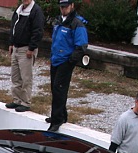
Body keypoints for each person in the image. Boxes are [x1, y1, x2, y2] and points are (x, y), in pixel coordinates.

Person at [47, 0, 88, 132]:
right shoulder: (59, 20)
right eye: (61, 7)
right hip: (56, 59)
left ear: (72, 6)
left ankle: (57, 120)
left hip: (65, 61)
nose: (63, 9)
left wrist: (70, 61)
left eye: (65, 7)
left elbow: (81, 46)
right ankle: (60, 114)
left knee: (59, 88)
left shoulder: (76, 23)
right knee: (55, 87)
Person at [6, 0, 43, 113]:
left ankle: (25, 102)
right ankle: (17, 100)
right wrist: (11, 43)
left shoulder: (36, 11)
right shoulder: (19, 10)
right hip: (16, 47)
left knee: (26, 77)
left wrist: (31, 48)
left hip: (26, 49)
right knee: (15, 76)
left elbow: (38, 31)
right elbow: (13, 28)